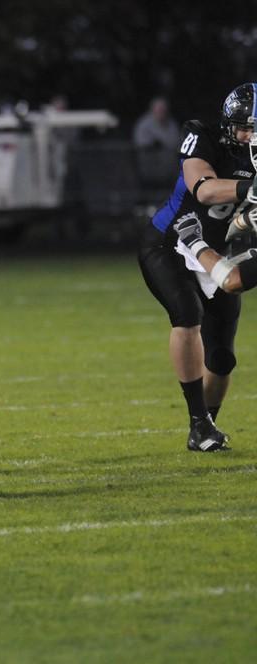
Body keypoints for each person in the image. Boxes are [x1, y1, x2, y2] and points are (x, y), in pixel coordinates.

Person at [137, 83, 257, 453]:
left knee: (221, 358)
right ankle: (198, 424)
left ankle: (208, 424)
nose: (250, 137)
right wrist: (248, 190)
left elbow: (235, 278)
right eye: (246, 127)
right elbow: (202, 189)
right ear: (227, 124)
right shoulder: (201, 135)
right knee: (187, 315)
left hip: (218, 252)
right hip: (170, 242)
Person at [134, 96, 182, 186]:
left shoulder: (171, 124)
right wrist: (155, 145)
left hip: (169, 169)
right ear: (152, 109)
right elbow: (141, 143)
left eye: (164, 109)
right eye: (159, 109)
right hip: (149, 169)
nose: (162, 111)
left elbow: (176, 141)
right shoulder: (144, 124)